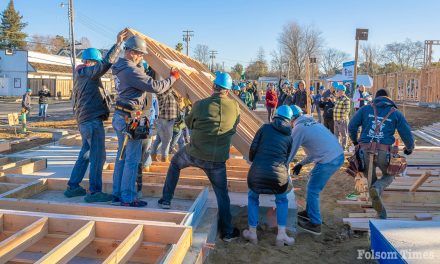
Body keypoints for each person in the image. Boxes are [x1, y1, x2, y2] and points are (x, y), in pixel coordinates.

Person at [159, 72, 241, 242]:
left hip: (194, 153)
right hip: (217, 159)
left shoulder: (200, 105)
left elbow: (188, 123)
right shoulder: (234, 107)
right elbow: (234, 125)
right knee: (222, 194)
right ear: (228, 90)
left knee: (174, 163)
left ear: (214, 87)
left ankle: (166, 200)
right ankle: (227, 232)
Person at [111, 34, 180, 207]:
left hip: (121, 115)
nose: (141, 57)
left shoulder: (120, 66)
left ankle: (117, 193)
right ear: (131, 53)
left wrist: (140, 65)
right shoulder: (131, 70)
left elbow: (140, 74)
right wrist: (173, 78)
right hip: (132, 119)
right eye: (140, 54)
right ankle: (128, 197)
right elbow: (155, 87)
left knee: (122, 156)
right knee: (132, 160)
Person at [64, 30, 128, 202]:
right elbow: (106, 64)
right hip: (91, 120)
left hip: (86, 120)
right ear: (90, 61)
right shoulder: (87, 72)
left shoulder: (82, 74)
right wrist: (118, 44)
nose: (98, 66)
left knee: (85, 153)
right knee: (98, 155)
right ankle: (94, 192)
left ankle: (73, 186)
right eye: (96, 63)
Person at [348, 88, 414, 219]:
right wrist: (409, 148)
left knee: (371, 180)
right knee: (390, 175)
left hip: (364, 152)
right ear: (389, 99)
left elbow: (351, 126)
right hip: (384, 152)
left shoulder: (365, 109)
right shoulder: (396, 113)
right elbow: (407, 135)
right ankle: (378, 190)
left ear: (376, 98)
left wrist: (356, 141)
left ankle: (380, 211)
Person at [243, 105, 295, 246]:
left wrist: (256, 161)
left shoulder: (265, 128)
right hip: (278, 177)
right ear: (289, 120)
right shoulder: (289, 137)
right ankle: (281, 235)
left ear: (275, 116)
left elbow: (253, 148)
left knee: (253, 197)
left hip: (257, 174)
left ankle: (252, 233)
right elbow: (286, 159)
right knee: (282, 199)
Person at [288, 105, 344, 235]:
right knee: (311, 183)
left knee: (313, 189)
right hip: (336, 155)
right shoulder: (312, 122)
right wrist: (301, 163)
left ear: (292, 119)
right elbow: (316, 150)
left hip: (328, 159)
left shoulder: (299, 129)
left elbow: (290, 152)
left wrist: (281, 167)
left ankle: (315, 223)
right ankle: (309, 212)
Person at [150, 88, 180, 162]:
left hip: (170, 118)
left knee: (159, 139)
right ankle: (164, 157)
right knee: (167, 139)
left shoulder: (172, 93)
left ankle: (153, 154)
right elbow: (165, 92)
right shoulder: (161, 92)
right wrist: (172, 83)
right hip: (164, 118)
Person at [333, 84, 351, 149]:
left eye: (339, 91)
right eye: (338, 91)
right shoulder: (338, 99)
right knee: (336, 135)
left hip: (342, 120)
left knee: (344, 135)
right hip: (336, 120)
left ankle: (343, 148)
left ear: (343, 91)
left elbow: (347, 110)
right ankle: (337, 148)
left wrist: (342, 119)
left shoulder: (346, 99)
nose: (338, 92)